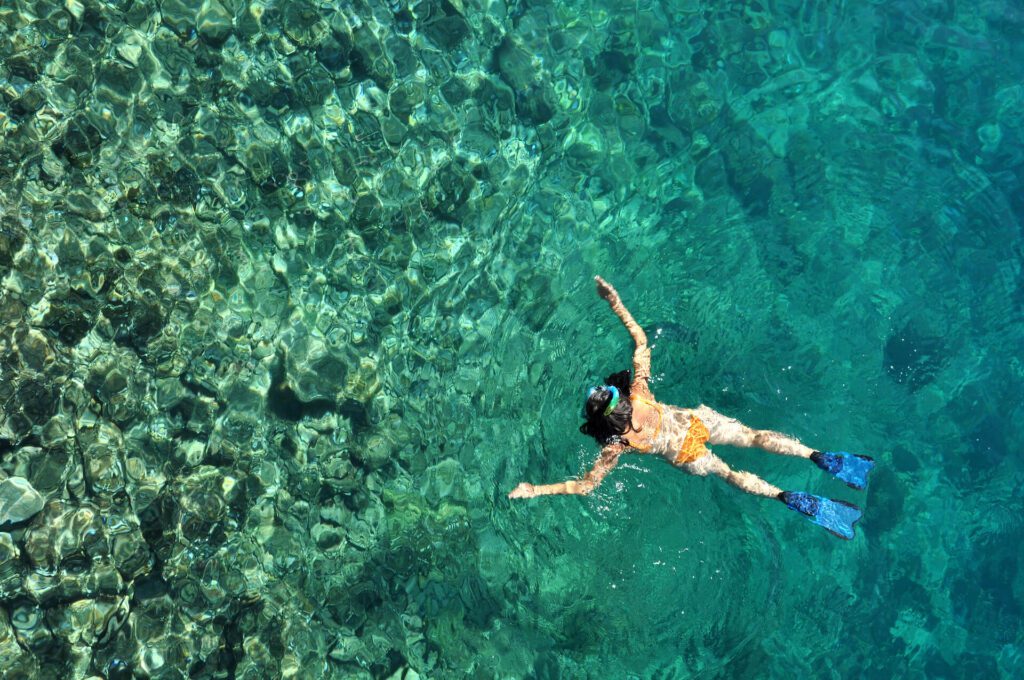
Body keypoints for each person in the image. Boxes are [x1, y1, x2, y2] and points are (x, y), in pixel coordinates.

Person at [507, 276, 874, 539]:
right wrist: (613, 301)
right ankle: (817, 456)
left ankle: (786, 497)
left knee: (729, 473)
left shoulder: (617, 444)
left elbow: (586, 487)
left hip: (685, 454)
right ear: (615, 398)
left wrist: (535, 490)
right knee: (754, 437)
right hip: (697, 423)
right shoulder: (640, 393)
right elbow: (640, 340)